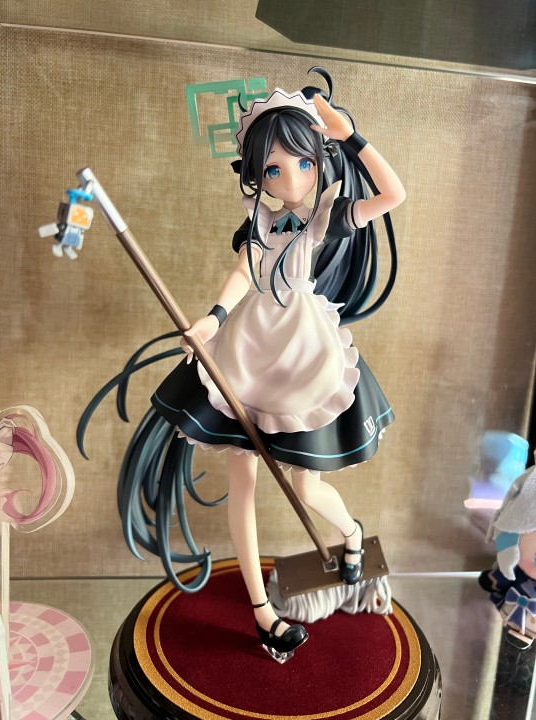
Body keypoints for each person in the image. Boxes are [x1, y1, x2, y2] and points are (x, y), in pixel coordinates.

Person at [147, 78, 405, 655]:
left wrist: (352, 137)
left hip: (302, 354)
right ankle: (262, 613)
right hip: (247, 347)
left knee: (306, 484)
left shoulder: (327, 217)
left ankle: (351, 532)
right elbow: (244, 272)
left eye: (302, 164)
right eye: (272, 170)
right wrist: (212, 319)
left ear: (319, 161)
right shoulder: (259, 225)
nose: (289, 179)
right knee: (242, 480)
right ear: (256, 175)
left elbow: (394, 194)